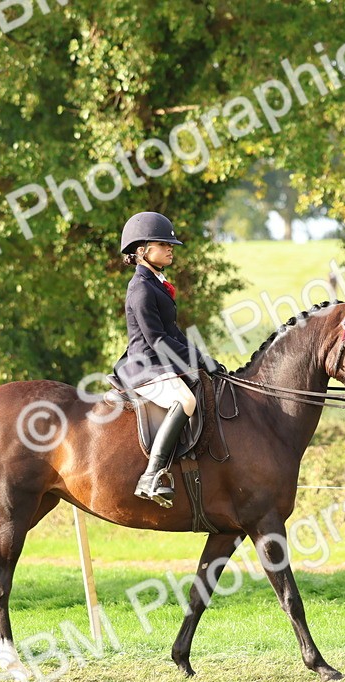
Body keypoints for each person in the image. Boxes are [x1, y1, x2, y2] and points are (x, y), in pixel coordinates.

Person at [112, 211, 209, 508]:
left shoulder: (156, 282)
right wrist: (197, 359)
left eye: (171, 245)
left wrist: (203, 359)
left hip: (159, 362)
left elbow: (173, 333)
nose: (170, 248)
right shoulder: (141, 287)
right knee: (187, 401)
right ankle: (152, 475)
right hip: (144, 365)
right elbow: (156, 340)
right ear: (142, 251)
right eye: (163, 244)